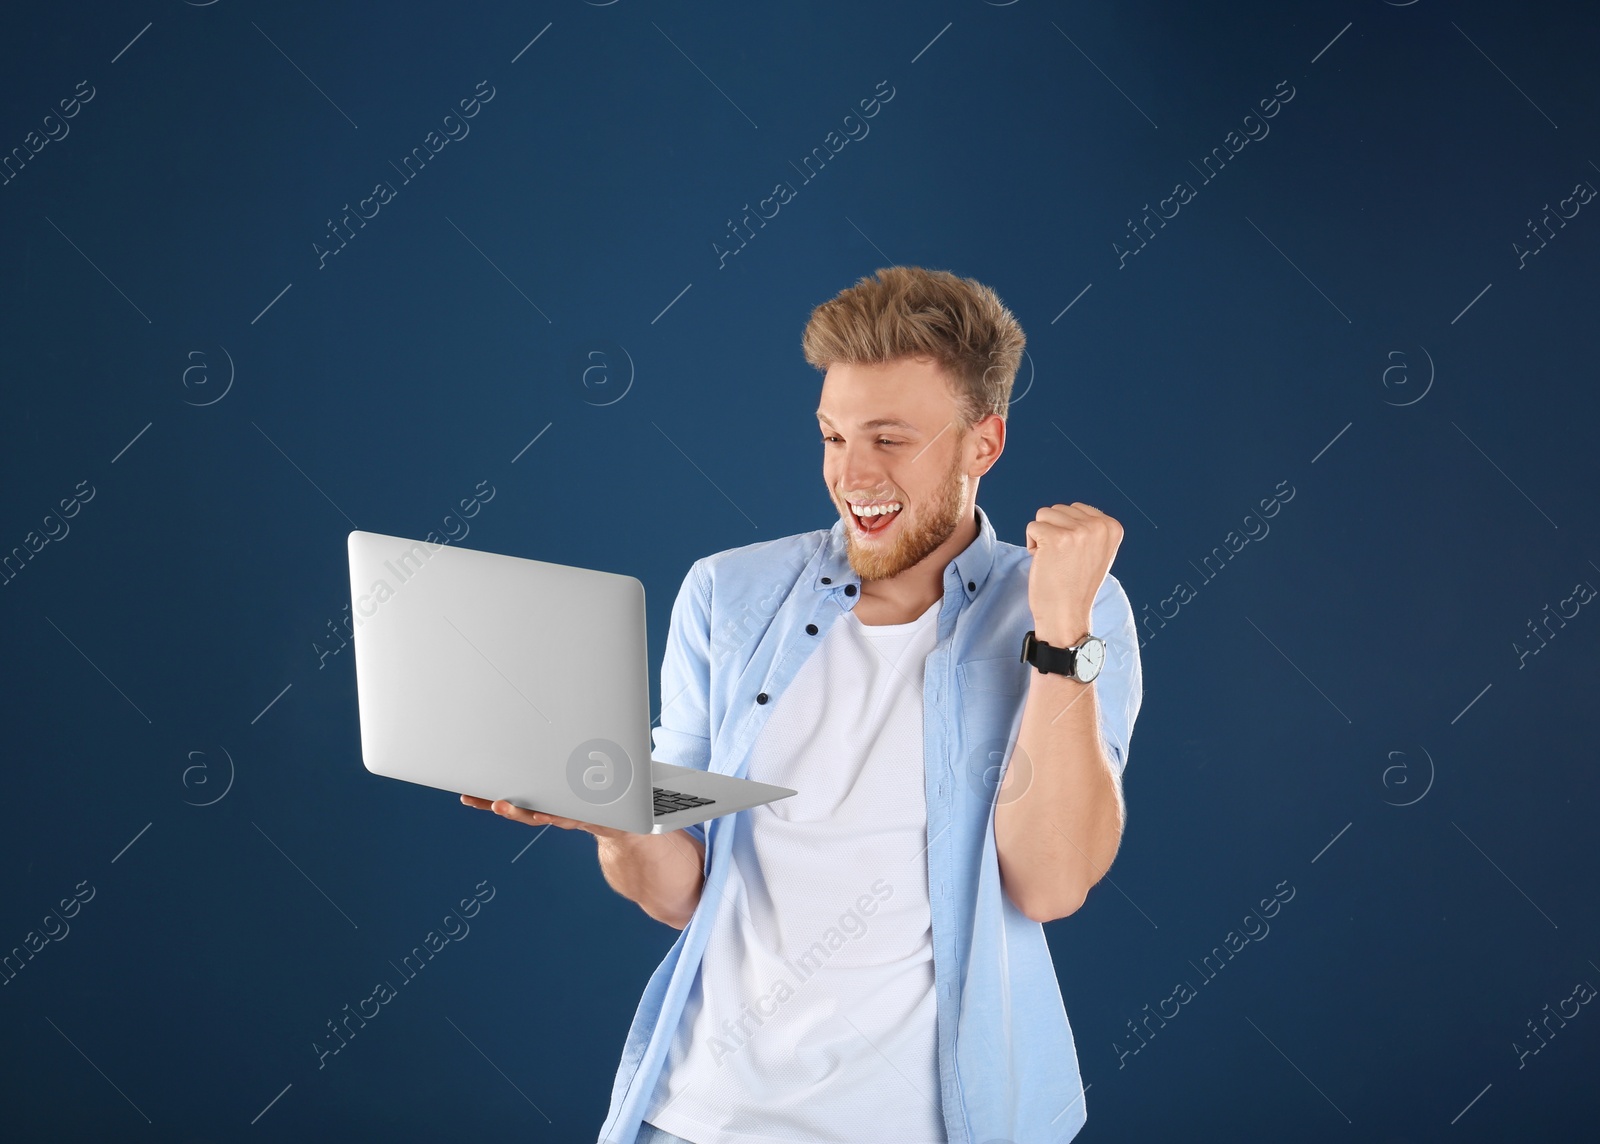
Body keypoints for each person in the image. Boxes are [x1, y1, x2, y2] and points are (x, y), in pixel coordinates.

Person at [461, 266, 1143, 1143]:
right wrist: (616, 822)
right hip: (697, 1117)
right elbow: (684, 892)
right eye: (832, 436)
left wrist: (1058, 630)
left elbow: (1049, 883)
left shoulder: (1072, 611)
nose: (852, 475)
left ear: (985, 443)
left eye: (890, 439)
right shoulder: (726, 594)